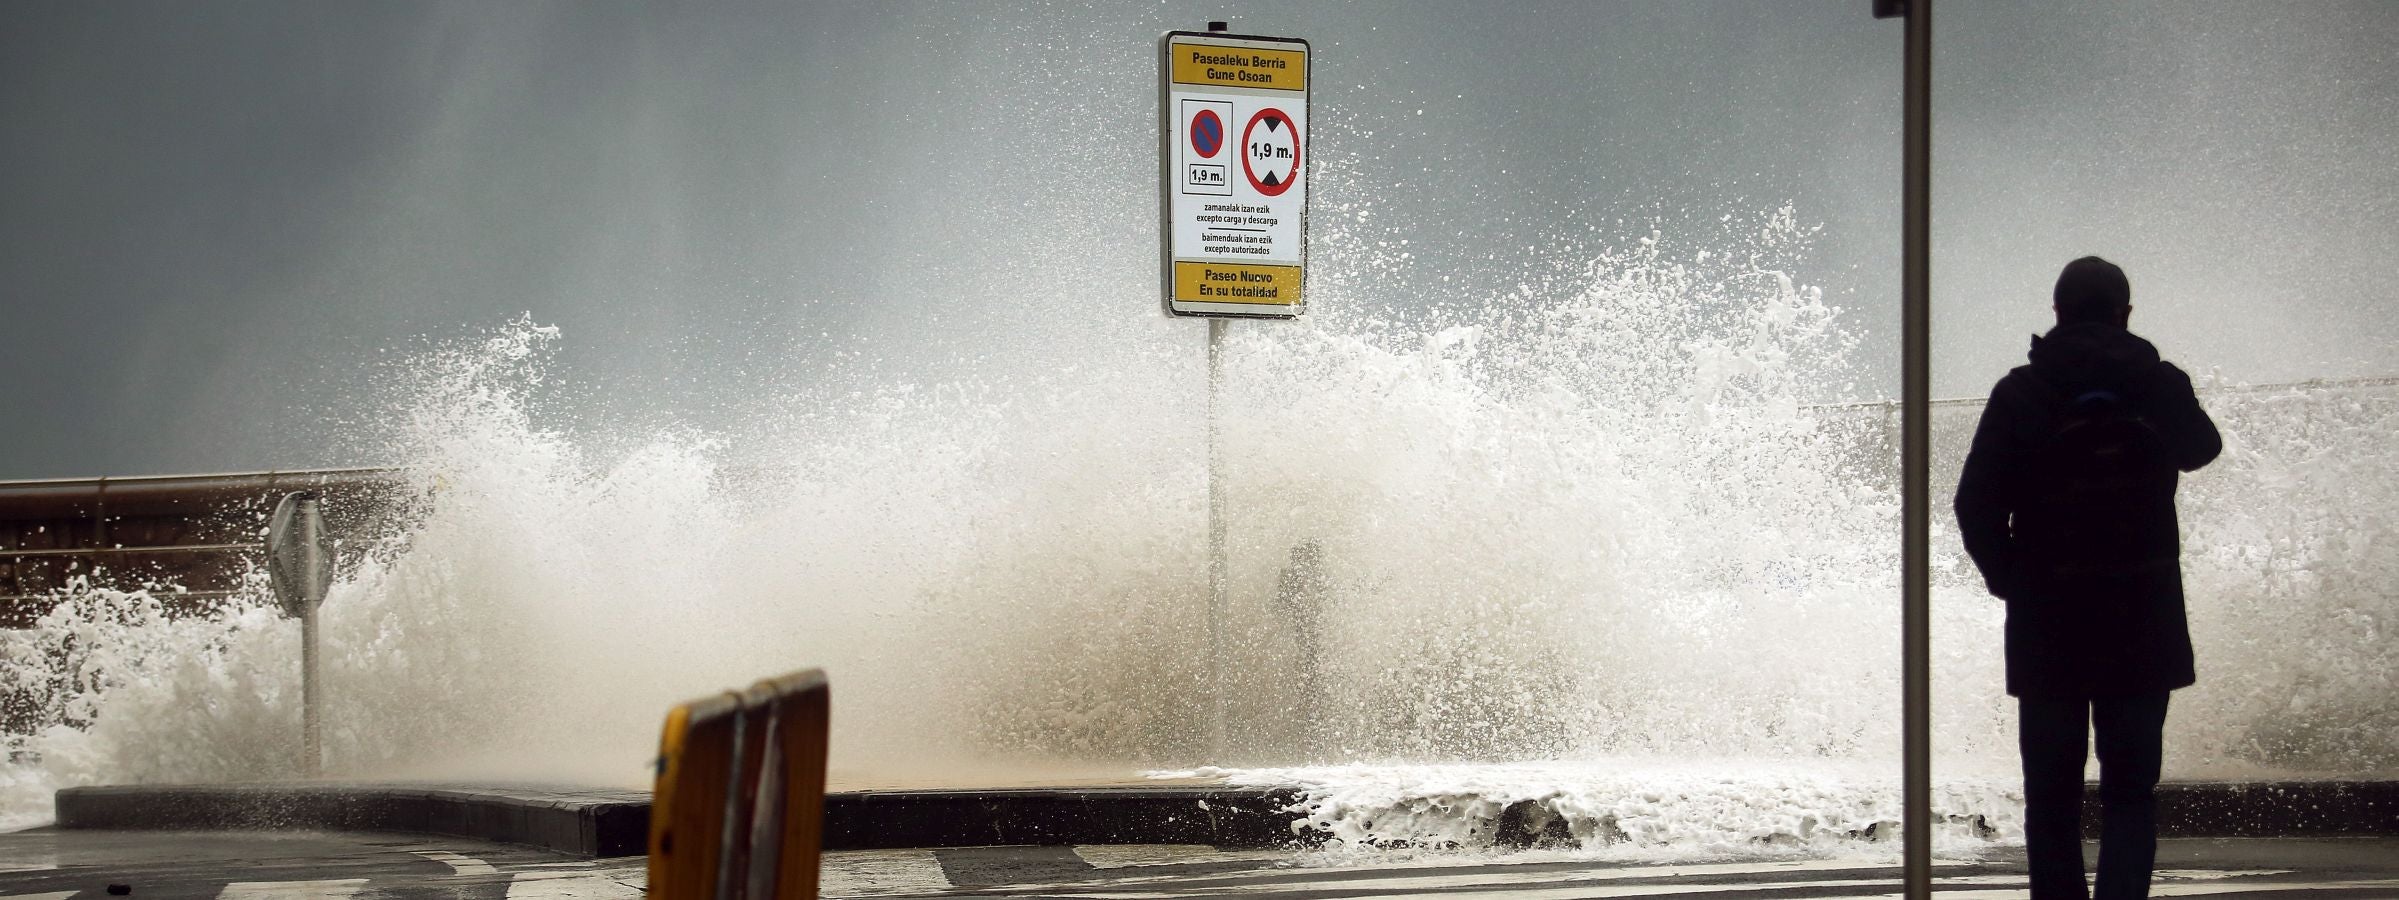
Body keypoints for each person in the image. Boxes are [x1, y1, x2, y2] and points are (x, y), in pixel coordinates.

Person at [1953, 256, 2221, 900]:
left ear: (2057, 314)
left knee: (2051, 798)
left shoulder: (2020, 392)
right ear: (2126, 313)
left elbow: (1974, 504)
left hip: (2049, 619)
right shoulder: (2157, 384)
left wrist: (2012, 580)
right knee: (2130, 792)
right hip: (2143, 615)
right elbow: (2202, 449)